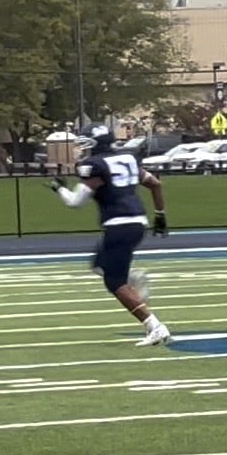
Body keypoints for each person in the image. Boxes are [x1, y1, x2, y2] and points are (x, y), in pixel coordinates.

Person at [49, 123, 172, 346]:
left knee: (114, 282)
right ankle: (133, 278)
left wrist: (59, 188)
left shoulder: (94, 165)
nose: (82, 149)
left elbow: (75, 202)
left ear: (96, 144)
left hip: (119, 224)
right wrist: (160, 215)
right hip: (138, 222)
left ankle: (154, 326)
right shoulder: (128, 158)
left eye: (85, 144)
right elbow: (155, 184)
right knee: (98, 265)